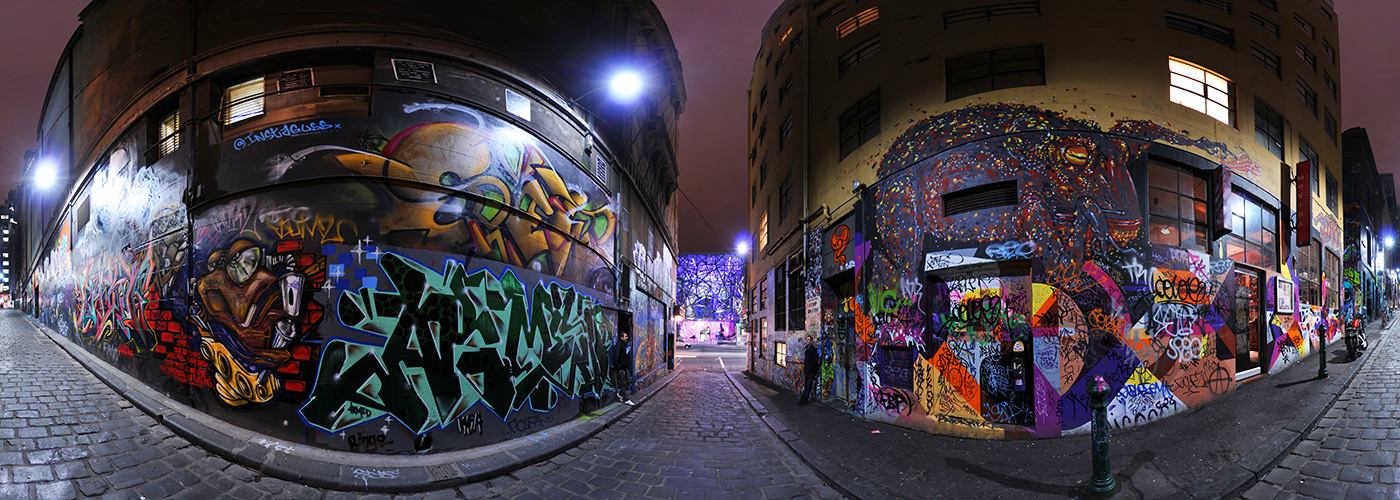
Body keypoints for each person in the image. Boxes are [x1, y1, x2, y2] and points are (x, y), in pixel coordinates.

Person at [611, 331, 635, 405]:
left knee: (629, 381)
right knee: (622, 384)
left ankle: (621, 393)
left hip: (625, 368)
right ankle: (626, 399)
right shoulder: (619, 346)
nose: (627, 338)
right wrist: (619, 369)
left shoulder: (624, 345)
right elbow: (616, 359)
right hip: (621, 368)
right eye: (625, 336)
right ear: (621, 338)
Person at [798, 336, 821, 405]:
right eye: (807, 339)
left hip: (811, 371)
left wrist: (811, 369)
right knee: (806, 386)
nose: (807, 341)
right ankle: (803, 399)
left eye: (809, 340)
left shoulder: (812, 350)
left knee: (808, 386)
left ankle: (804, 401)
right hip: (808, 370)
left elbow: (815, 361)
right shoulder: (807, 349)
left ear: (811, 341)